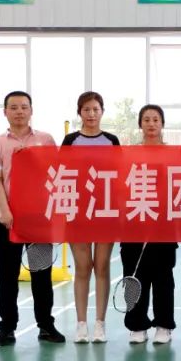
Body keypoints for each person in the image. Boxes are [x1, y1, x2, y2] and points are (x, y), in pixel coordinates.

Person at [0, 91, 65, 347]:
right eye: (13, 107)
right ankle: (7, 328)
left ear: (31, 111)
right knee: (8, 276)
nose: (19, 111)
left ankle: (46, 326)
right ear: (5, 112)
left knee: (41, 274)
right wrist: (5, 211)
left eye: (23, 107)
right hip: (9, 221)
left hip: (38, 221)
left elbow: (54, 174)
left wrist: (33, 157)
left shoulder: (45, 139)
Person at [62, 91, 121, 344]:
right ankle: (81, 325)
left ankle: (100, 324)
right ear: (80, 113)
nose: (91, 114)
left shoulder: (111, 140)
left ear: (102, 112)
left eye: (96, 109)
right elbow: (61, 172)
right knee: (83, 267)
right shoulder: (70, 140)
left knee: (102, 266)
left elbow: (119, 174)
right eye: (86, 110)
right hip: (77, 210)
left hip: (106, 211)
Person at [123, 104, 178, 345]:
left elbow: (179, 184)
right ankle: (137, 325)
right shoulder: (129, 153)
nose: (151, 124)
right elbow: (121, 184)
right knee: (134, 275)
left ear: (162, 124)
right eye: (146, 119)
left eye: (156, 119)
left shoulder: (173, 153)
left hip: (164, 224)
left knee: (163, 276)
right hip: (134, 222)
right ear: (140, 124)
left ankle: (164, 325)